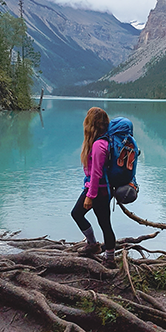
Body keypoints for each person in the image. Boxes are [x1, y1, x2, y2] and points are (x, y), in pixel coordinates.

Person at [70, 106, 116, 265]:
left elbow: (97, 173)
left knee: (95, 220)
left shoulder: (98, 145)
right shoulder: (102, 141)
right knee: (101, 222)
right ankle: (94, 246)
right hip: (98, 188)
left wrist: (90, 196)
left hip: (99, 190)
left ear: (92, 123)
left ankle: (107, 257)